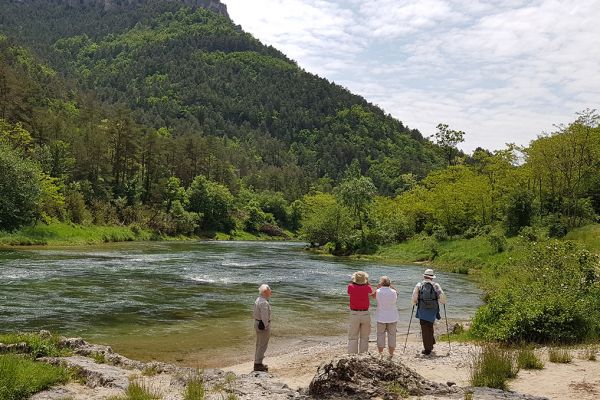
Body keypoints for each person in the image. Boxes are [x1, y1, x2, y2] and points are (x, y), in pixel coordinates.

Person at [412, 268, 446, 355]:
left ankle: (427, 349)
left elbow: (414, 296)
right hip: (433, 310)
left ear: (424, 276)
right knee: (430, 326)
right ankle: (430, 343)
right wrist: (443, 302)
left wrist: (414, 303)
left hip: (422, 309)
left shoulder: (419, 285)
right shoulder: (436, 285)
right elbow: (442, 296)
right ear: (432, 277)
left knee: (424, 328)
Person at [347, 271, 373, 353]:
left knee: (353, 336)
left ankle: (352, 354)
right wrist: (366, 281)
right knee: (365, 337)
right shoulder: (367, 287)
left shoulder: (350, 286)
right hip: (365, 313)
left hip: (354, 313)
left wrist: (355, 281)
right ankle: (363, 354)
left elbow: (349, 290)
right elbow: (371, 291)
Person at [374, 276, 399, 358]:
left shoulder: (378, 291)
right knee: (392, 335)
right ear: (389, 283)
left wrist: (378, 287)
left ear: (381, 283)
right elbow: (397, 294)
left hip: (381, 317)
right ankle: (391, 353)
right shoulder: (393, 292)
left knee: (380, 334)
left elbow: (373, 296)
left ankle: (380, 353)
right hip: (392, 317)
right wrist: (391, 286)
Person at [253, 283, 272, 372]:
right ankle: (258, 364)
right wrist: (266, 325)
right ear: (265, 292)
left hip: (257, 323)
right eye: (269, 291)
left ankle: (257, 362)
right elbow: (264, 316)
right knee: (263, 345)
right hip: (262, 325)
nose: (270, 292)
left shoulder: (258, 299)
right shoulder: (264, 302)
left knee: (259, 344)